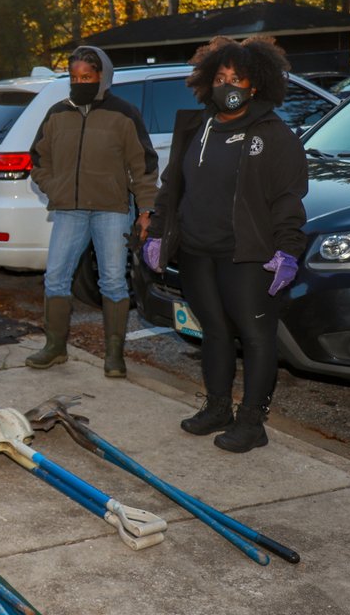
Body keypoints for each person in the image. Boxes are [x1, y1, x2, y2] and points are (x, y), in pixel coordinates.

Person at [142, 36, 307, 453]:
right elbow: (172, 185)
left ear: (256, 85)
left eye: (237, 78)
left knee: (256, 335)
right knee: (213, 331)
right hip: (197, 250)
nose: (227, 85)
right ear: (206, 82)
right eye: (219, 78)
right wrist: (159, 232)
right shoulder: (195, 126)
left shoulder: (273, 134)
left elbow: (288, 198)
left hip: (246, 255)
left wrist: (288, 250)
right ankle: (218, 408)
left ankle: (252, 422)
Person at [27, 46, 159, 376]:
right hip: (69, 210)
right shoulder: (57, 113)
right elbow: (39, 159)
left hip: (111, 210)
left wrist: (146, 209)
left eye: (87, 76)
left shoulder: (124, 114)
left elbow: (143, 166)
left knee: (112, 282)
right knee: (55, 278)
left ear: (103, 76)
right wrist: (55, 188)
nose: (80, 82)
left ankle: (114, 356)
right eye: (74, 77)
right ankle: (55, 347)